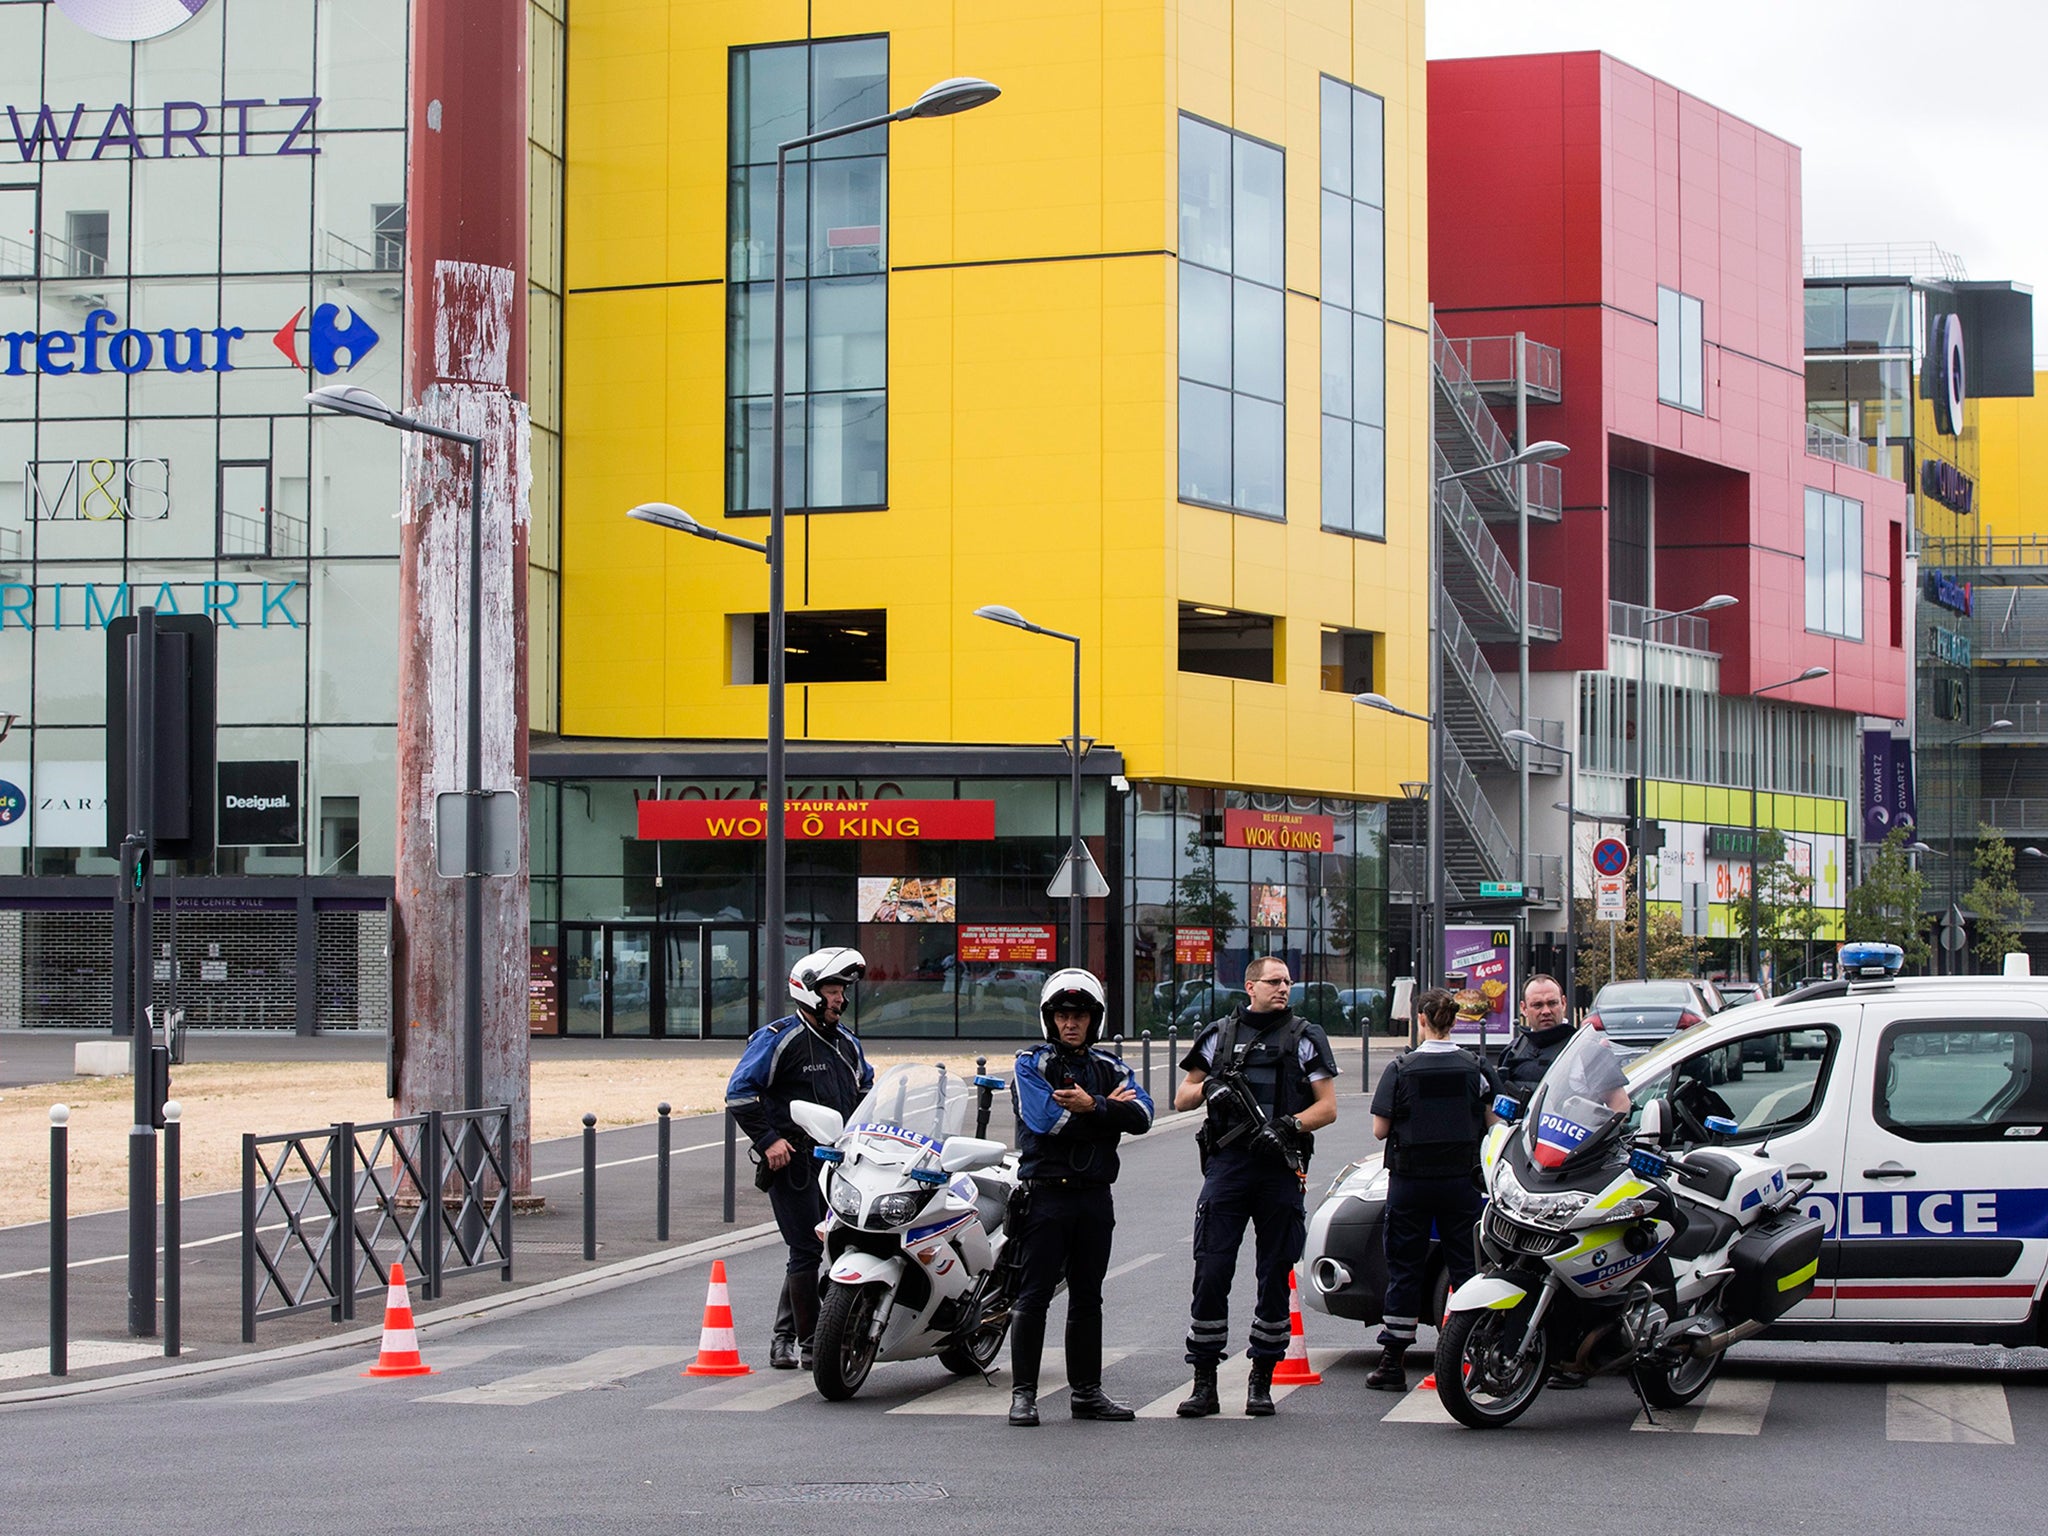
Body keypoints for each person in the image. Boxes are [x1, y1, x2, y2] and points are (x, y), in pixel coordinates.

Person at [1172, 955, 1339, 1417]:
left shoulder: (1305, 1037)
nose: (1283, 988)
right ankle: (1204, 1382)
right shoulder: (1220, 1034)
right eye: (1273, 981)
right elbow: (1182, 1094)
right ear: (1250, 986)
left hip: (1279, 1169)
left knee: (1273, 1275)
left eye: (1288, 981)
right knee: (1211, 1269)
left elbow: (1327, 1108)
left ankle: (1261, 1380)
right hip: (1228, 1167)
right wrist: (1210, 1090)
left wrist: (1287, 1126)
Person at [1005, 968, 1155, 1426]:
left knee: (1089, 1297)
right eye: (1064, 1014)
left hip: (1094, 1197)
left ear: (1095, 1020)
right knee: (1033, 1296)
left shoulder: (1110, 1066)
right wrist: (1110, 1113)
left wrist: (1094, 1105)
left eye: (1082, 1015)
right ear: (1050, 1019)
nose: (1072, 1023)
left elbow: (1145, 1113)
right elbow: (1046, 1119)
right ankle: (1023, 1395)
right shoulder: (1030, 1062)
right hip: (1045, 1197)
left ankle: (1087, 1393)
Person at [725, 947, 874, 1371]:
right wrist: (769, 1140)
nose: (840, 1000)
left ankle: (786, 1336)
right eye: (831, 991)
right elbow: (739, 1094)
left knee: (831, 1246)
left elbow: (867, 1094)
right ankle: (810, 1344)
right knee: (807, 1246)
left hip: (840, 1164)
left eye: (842, 992)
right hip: (792, 1161)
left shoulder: (847, 1042)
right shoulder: (779, 1038)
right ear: (808, 992)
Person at [1364, 987, 1498, 1391]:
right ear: (1453, 1021)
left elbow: (1379, 1130)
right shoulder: (1476, 1067)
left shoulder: (1401, 1069)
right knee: (1467, 1270)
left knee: (1404, 1269)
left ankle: (1392, 1362)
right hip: (1461, 1182)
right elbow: (1496, 1125)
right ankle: (1474, 1356)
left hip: (1410, 1183)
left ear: (1420, 1020)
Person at [1495, 973, 1574, 1106]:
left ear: (1564, 1003)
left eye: (1552, 1003)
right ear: (1524, 1008)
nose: (1546, 1011)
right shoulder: (1512, 1051)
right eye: (1538, 1005)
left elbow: (1618, 1104)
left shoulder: (1583, 1048)